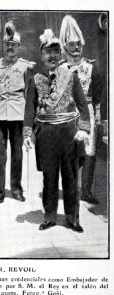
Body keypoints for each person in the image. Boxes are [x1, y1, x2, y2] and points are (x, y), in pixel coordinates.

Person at [23, 29, 90, 233]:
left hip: (69, 133)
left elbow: (83, 105)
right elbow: (29, 108)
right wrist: (27, 133)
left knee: (70, 177)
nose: (52, 56)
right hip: (46, 135)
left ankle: (72, 218)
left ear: (61, 54)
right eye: (48, 52)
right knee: (49, 177)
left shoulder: (71, 76)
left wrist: (84, 130)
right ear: (41, 55)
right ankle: (50, 216)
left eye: (56, 51)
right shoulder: (34, 79)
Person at [59, 15, 105, 204]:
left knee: (89, 151)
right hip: (67, 114)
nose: (76, 48)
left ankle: (85, 191)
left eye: (79, 44)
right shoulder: (59, 69)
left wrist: (99, 117)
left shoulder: (91, 67)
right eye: (72, 44)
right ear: (64, 47)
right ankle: (70, 189)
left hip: (88, 112)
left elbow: (98, 95)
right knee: (68, 152)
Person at [0, 21, 34, 206]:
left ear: (19, 47)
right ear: (3, 46)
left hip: (18, 111)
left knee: (17, 153)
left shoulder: (25, 67)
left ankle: (16, 188)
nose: (10, 48)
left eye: (14, 45)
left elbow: (29, 92)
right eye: (7, 45)